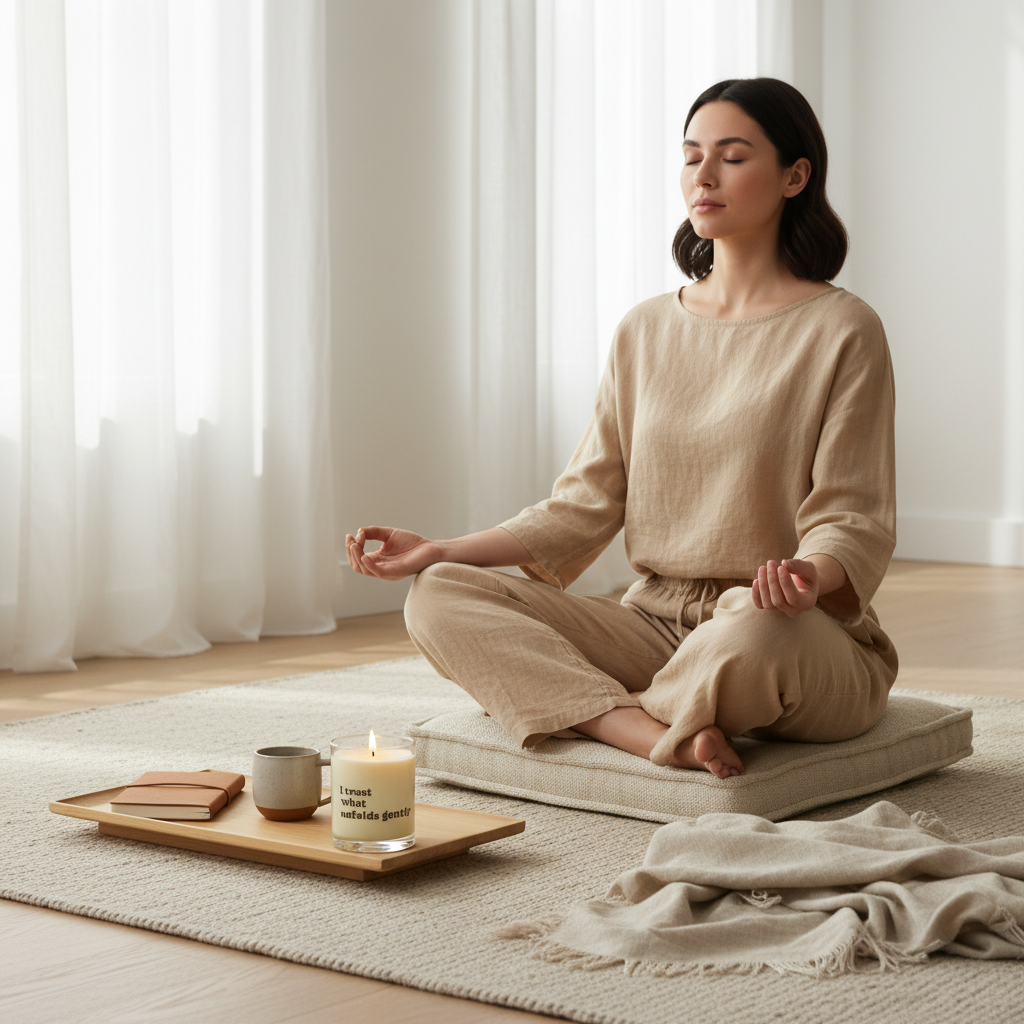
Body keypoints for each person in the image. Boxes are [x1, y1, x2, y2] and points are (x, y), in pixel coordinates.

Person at [346, 77, 898, 780]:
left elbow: (854, 513)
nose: (703, 174)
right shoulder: (644, 329)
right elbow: (585, 503)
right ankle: (635, 727)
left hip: (783, 629)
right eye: (691, 154)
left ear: (795, 176)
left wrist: (806, 577)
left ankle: (590, 705)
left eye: (732, 157)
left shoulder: (843, 328)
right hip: (652, 627)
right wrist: (438, 550)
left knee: (752, 635)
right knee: (441, 594)